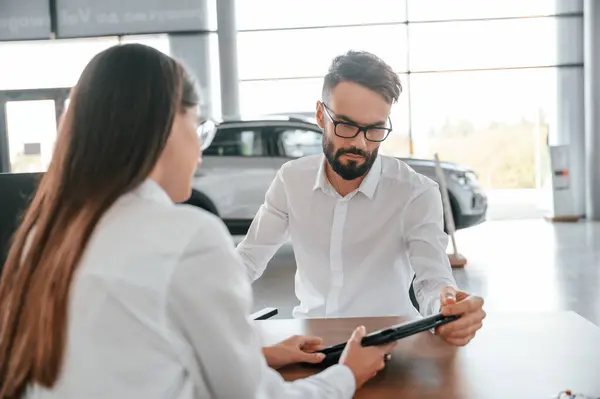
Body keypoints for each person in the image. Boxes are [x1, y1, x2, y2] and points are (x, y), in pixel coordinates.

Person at [0, 44, 396, 399]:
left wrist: (256, 354)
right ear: (169, 126)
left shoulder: (45, 236)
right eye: (198, 126)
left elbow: (127, 359)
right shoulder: (186, 236)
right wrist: (346, 374)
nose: (201, 152)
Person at [236, 50, 485, 346]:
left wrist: (445, 307)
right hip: (311, 342)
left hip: (389, 344)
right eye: (346, 125)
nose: (359, 142)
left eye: (375, 129)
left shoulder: (416, 192)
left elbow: (433, 279)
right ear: (320, 115)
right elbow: (249, 257)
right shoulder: (291, 180)